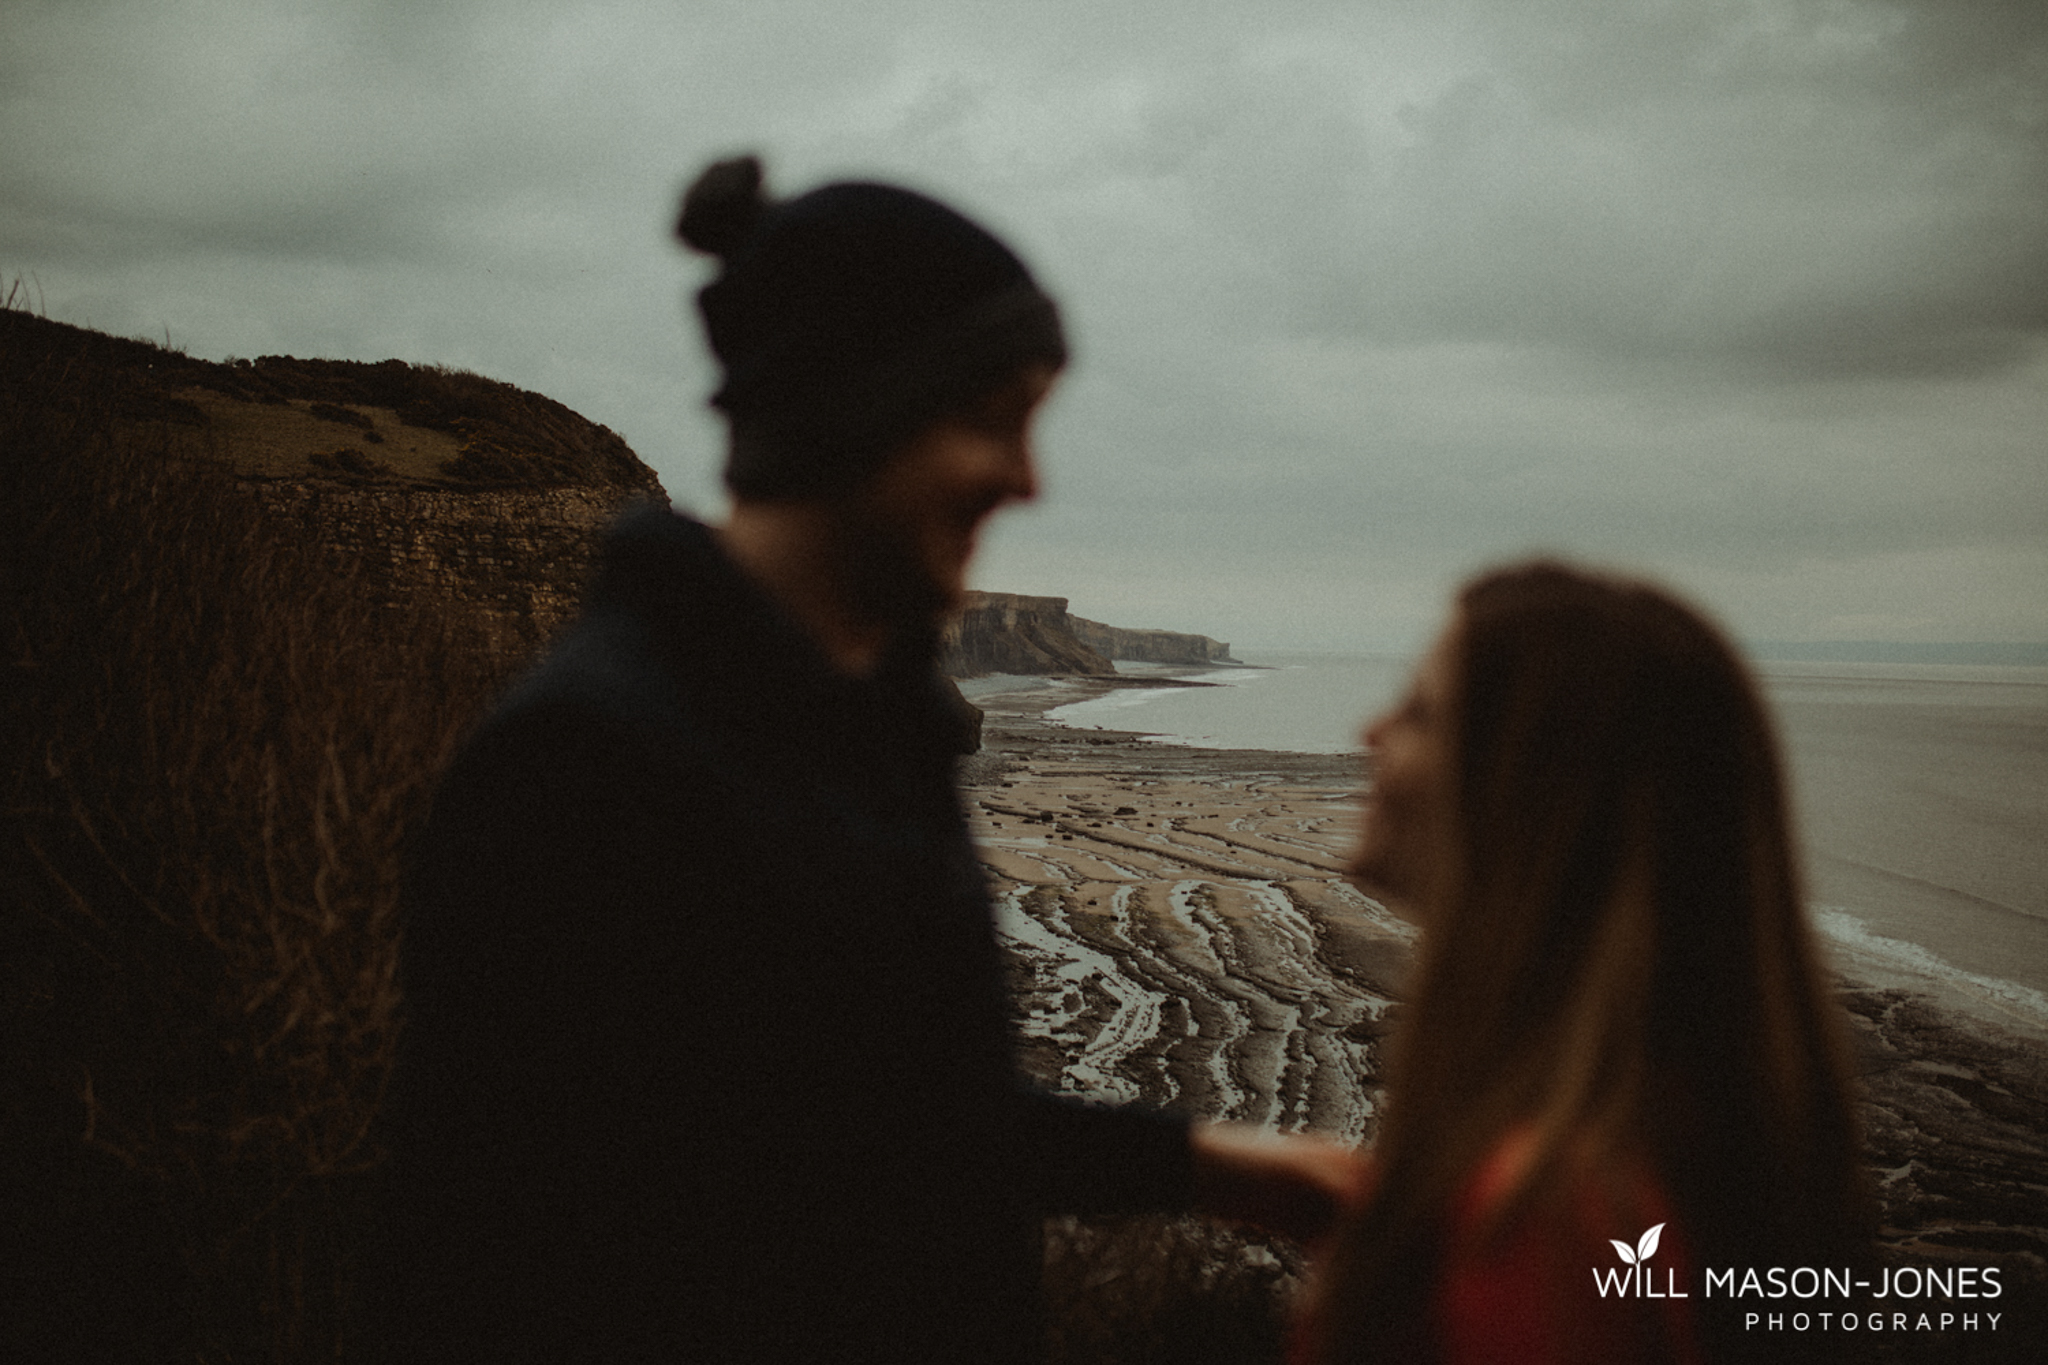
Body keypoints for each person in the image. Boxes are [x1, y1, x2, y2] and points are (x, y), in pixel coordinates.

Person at [383, 155, 1358, 1364]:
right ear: (855, 408)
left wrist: (1213, 1168)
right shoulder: (587, 764)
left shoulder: (867, 718)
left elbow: (872, 1119)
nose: (1026, 478)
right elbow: (495, 1259)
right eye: (993, 423)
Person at [1294, 562, 1872, 1364]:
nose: (1370, 732)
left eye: (1422, 712)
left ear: (1530, 799)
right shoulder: (1613, 1155)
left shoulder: (1549, 1216)